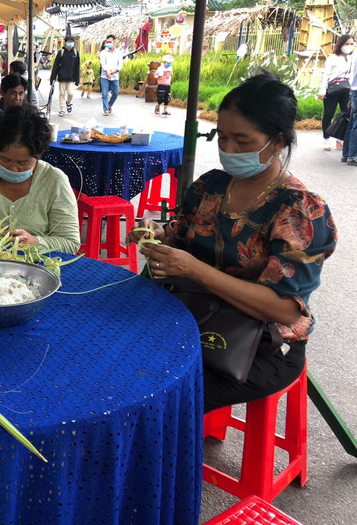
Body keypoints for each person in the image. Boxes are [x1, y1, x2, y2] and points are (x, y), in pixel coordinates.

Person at [127, 74, 337, 413]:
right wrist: (155, 234)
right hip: (191, 315)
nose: (228, 149)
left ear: (278, 142)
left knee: (151, 392)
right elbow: (179, 237)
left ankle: (160, 460)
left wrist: (196, 270)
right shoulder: (210, 185)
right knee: (114, 357)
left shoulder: (299, 210)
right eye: (222, 137)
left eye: (242, 140)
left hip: (260, 343)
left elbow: (284, 309)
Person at [0, 103, 79, 254]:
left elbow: (70, 242)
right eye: (5, 159)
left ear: (38, 155)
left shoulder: (55, 181)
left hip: (38, 269)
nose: (13, 168)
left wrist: (35, 242)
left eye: (23, 162)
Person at [318, 33, 353, 151]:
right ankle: (326, 139)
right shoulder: (332, 58)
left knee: (345, 114)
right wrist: (322, 91)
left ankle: (340, 140)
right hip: (332, 89)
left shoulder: (351, 58)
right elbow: (326, 74)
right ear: (341, 44)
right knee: (328, 114)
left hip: (346, 90)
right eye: (347, 44)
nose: (349, 46)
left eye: (351, 44)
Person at [49, 35, 80, 118]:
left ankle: (68, 103)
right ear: (65, 42)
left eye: (71, 42)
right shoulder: (61, 52)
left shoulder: (76, 53)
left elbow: (77, 67)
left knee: (70, 93)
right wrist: (52, 78)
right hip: (62, 77)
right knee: (62, 93)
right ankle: (62, 109)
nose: (70, 43)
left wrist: (77, 79)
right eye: (68, 41)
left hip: (72, 78)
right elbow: (55, 66)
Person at [99, 34, 123, 116]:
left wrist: (113, 72)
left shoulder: (119, 53)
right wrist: (107, 72)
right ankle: (105, 109)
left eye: (110, 42)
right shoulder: (103, 53)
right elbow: (103, 63)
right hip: (105, 76)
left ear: (114, 42)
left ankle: (109, 105)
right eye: (107, 42)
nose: (108, 43)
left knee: (116, 93)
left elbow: (120, 65)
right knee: (104, 94)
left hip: (115, 76)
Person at [345, 46, 357, 165]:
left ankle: (347, 154)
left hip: (353, 91)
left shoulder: (354, 56)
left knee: (352, 124)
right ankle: (353, 156)